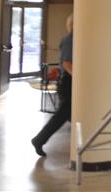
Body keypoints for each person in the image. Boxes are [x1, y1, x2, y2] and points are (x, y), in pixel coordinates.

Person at [31, 14, 73, 157]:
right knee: (62, 115)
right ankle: (39, 140)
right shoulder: (69, 40)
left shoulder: (76, 39)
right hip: (68, 82)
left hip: (70, 81)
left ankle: (39, 140)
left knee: (66, 115)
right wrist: (80, 79)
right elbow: (67, 64)